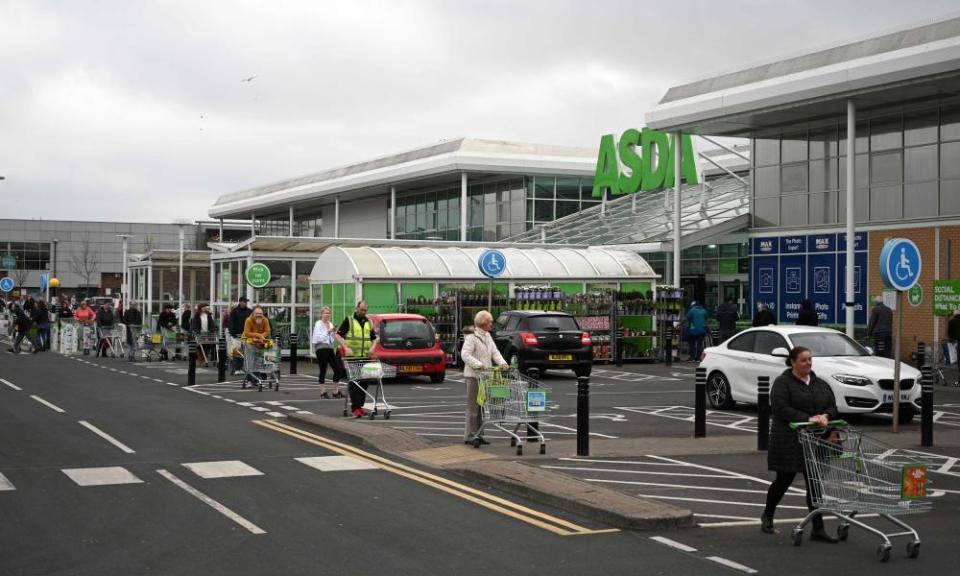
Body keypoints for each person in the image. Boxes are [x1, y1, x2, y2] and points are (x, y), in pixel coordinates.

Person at [761, 346, 839, 542]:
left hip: (814, 440)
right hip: (789, 438)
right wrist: (809, 418)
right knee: (783, 480)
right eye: (804, 360)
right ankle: (768, 514)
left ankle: (818, 528)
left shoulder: (819, 383)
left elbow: (832, 405)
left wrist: (826, 416)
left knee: (814, 483)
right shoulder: (783, 383)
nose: (808, 363)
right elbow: (780, 409)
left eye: (810, 359)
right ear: (793, 362)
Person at [461, 310, 509, 444]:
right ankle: (470, 436)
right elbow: (465, 355)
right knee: (473, 407)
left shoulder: (487, 336)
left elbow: (495, 352)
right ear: (483, 323)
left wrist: (503, 363)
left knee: (481, 406)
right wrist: (478, 364)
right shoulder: (471, 337)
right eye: (490, 322)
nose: (491, 324)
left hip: (485, 376)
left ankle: (479, 434)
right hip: (473, 376)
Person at [338, 300, 378, 418]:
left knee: (364, 383)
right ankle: (355, 408)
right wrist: (345, 347)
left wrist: (372, 349)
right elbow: (338, 335)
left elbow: (374, 338)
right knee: (355, 382)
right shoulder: (349, 320)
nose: (363, 312)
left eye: (365, 310)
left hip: (365, 356)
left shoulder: (368, 322)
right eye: (361, 310)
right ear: (357, 308)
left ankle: (360, 406)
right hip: (352, 357)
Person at [312, 306, 345, 399]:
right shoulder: (318, 323)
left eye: (329, 313)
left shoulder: (330, 323)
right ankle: (323, 392)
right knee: (323, 369)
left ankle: (335, 391)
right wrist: (328, 331)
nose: (327, 315)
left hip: (330, 348)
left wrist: (334, 332)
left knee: (338, 369)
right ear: (321, 314)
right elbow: (318, 338)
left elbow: (331, 339)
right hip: (321, 348)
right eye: (325, 313)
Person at [229, 297, 253, 375]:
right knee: (237, 351)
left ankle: (241, 367)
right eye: (244, 302)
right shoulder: (235, 311)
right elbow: (231, 322)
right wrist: (233, 333)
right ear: (240, 302)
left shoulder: (249, 311)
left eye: (246, 302)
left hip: (246, 335)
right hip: (236, 335)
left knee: (244, 352)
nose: (245, 303)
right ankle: (237, 368)